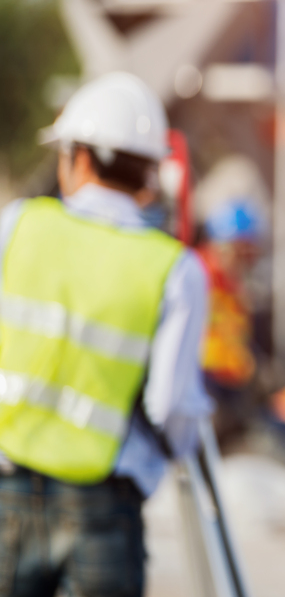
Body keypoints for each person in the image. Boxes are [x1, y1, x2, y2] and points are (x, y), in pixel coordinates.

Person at [0, 72, 210, 597]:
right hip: (104, 508)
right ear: (148, 173)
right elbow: (169, 407)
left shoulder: (19, 225)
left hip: (6, 492)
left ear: (81, 158)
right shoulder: (174, 269)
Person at [197, 199, 264, 438]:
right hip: (206, 380)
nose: (248, 259)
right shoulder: (199, 274)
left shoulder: (233, 283)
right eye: (243, 250)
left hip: (230, 381)